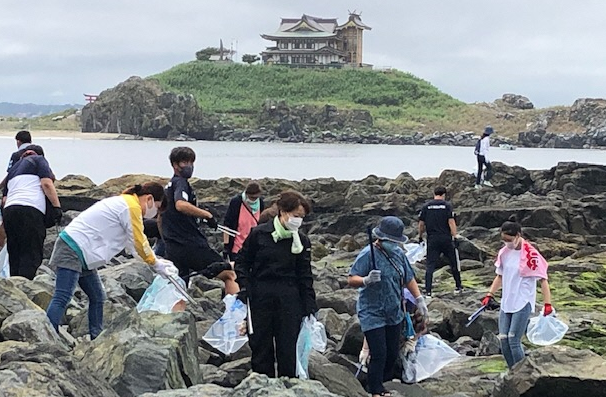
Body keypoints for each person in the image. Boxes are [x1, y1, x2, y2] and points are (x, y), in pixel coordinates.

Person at [46, 182, 178, 340]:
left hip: (83, 253)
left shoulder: (126, 204)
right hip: (73, 247)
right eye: (156, 208)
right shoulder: (131, 206)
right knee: (63, 296)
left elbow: (133, 246)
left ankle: (97, 337)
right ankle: (48, 335)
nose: (154, 214)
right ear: (149, 199)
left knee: (98, 296)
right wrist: (155, 263)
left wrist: (156, 262)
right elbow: (139, 240)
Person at [235, 190, 316, 378]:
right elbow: (242, 262)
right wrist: (245, 287)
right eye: (296, 216)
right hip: (260, 296)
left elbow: (305, 275)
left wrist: (309, 304)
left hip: (289, 299)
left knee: (288, 349)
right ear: (283, 211)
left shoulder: (302, 241)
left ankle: (287, 386)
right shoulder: (259, 234)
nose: (298, 221)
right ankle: (263, 386)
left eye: (302, 218)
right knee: (261, 347)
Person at [348, 216, 428, 397]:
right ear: (381, 238)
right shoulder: (368, 254)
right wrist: (365, 280)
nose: (394, 244)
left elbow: (408, 278)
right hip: (372, 311)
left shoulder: (398, 254)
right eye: (390, 241)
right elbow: (351, 278)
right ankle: (375, 390)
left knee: (392, 352)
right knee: (379, 353)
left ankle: (384, 383)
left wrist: (419, 298)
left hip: (394, 310)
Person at [160, 147, 238, 294]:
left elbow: (160, 216)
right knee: (228, 273)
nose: (189, 166)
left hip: (173, 245)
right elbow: (181, 205)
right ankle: (234, 314)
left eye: (191, 162)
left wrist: (166, 240)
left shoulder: (168, 187)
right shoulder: (180, 183)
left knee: (179, 282)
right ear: (175, 165)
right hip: (191, 244)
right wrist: (207, 215)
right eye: (185, 162)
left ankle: (177, 313)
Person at [481, 216, 553, 369]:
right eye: (504, 240)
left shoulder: (530, 255)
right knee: (503, 339)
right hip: (507, 302)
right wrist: (490, 295)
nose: (506, 243)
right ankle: (512, 372)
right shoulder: (504, 253)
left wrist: (547, 304)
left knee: (514, 340)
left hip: (522, 302)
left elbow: (543, 279)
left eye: (509, 239)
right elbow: (499, 276)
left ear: (518, 236)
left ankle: (522, 373)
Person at [2, 145, 61, 280]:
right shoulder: (39, 160)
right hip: (30, 209)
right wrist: (56, 207)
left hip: (10, 210)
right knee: (31, 252)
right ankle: (27, 287)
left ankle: (15, 285)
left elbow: (4, 199)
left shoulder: (13, 170)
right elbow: (46, 184)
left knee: (15, 251)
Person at [418, 186, 462, 296]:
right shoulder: (447, 206)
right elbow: (451, 222)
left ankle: (428, 291)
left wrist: (420, 236)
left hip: (432, 239)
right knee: (453, 263)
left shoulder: (426, 206)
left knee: (430, 265)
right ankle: (458, 286)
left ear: (434, 193)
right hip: (446, 238)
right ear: (444, 195)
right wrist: (455, 236)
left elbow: (421, 223)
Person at [223, 181, 265, 261]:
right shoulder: (236, 202)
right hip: (237, 246)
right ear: (246, 194)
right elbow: (227, 224)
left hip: (253, 248)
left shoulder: (261, 203)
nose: (254, 200)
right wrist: (226, 246)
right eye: (251, 197)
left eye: (256, 197)